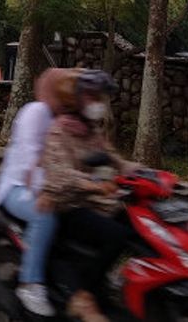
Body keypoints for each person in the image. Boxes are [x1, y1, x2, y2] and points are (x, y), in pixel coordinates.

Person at [39, 70, 134, 322]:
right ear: (77, 99)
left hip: (94, 204)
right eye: (92, 97)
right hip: (69, 207)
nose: (97, 103)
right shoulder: (59, 131)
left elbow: (116, 160)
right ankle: (84, 295)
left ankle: (115, 283)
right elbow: (60, 176)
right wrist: (93, 185)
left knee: (134, 223)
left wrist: (151, 174)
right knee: (116, 236)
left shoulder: (91, 131)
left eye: (99, 98)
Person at [0, 68, 74, 317]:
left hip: (42, 188)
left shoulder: (59, 118)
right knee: (43, 215)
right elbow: (30, 158)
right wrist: (46, 190)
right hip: (16, 189)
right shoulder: (36, 112)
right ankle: (30, 283)